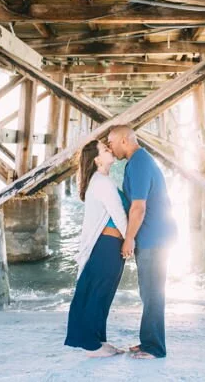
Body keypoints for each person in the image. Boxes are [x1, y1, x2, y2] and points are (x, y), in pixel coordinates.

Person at [107, 125, 176, 359]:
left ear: (124, 140)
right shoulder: (138, 161)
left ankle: (155, 348)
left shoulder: (139, 162)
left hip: (154, 238)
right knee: (148, 291)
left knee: (153, 292)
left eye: (111, 142)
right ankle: (148, 341)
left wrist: (128, 239)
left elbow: (139, 207)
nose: (109, 147)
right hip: (154, 236)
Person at [64, 140, 131, 357]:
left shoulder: (102, 180)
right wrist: (131, 242)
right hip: (107, 245)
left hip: (108, 245)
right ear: (96, 159)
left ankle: (98, 341)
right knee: (99, 292)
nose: (110, 150)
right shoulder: (102, 182)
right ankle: (92, 346)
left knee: (101, 292)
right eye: (105, 149)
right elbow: (118, 214)